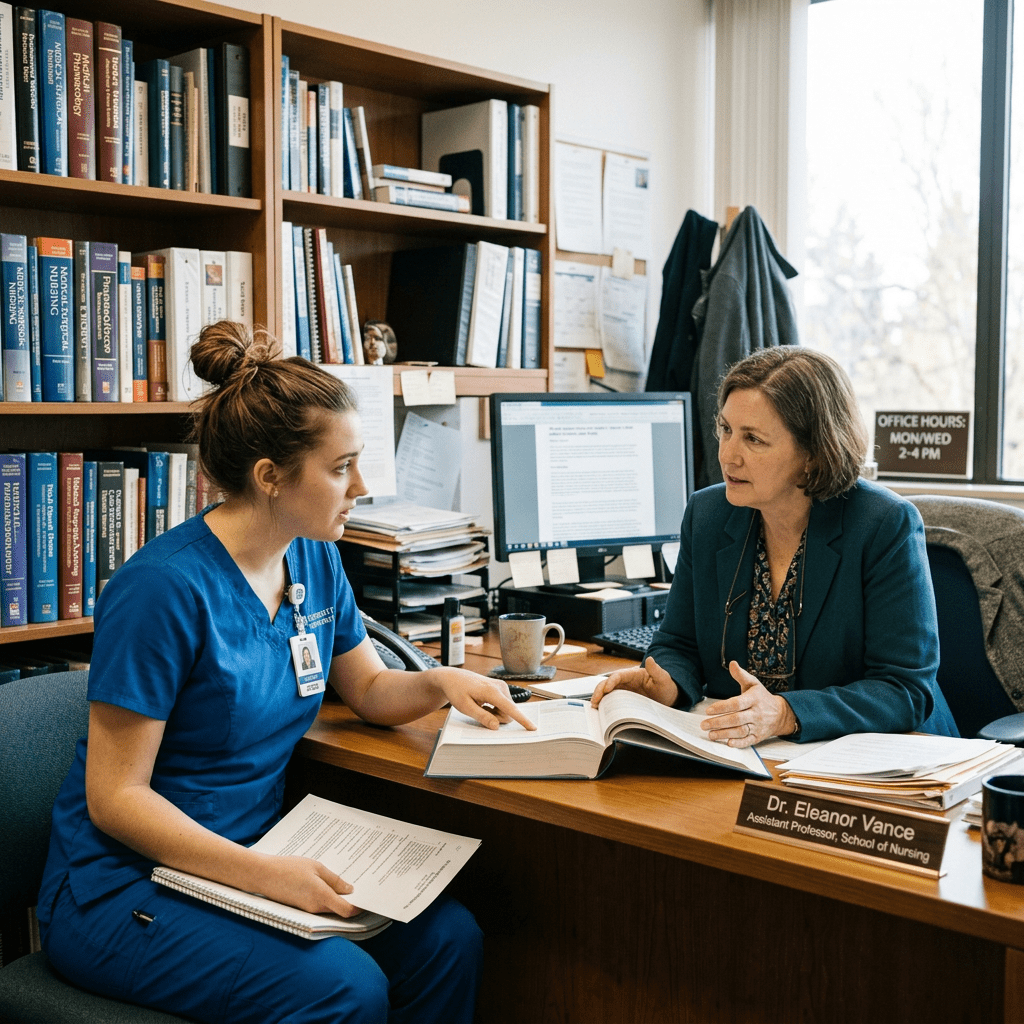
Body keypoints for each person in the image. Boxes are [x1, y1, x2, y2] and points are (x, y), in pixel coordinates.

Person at [36, 321, 534, 1023]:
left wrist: (438, 683)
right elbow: (116, 798)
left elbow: (365, 687)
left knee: (448, 939)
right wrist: (266, 877)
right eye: (340, 468)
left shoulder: (314, 555)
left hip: (250, 865)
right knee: (343, 989)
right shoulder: (162, 590)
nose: (361, 486)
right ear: (270, 477)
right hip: (125, 889)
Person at [593, 346, 958, 746]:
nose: (728, 455)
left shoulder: (883, 525)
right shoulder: (708, 514)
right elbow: (679, 643)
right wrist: (667, 686)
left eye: (754, 439)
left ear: (814, 454)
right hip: (753, 753)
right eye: (726, 429)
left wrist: (785, 714)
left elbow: (905, 689)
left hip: (884, 762)